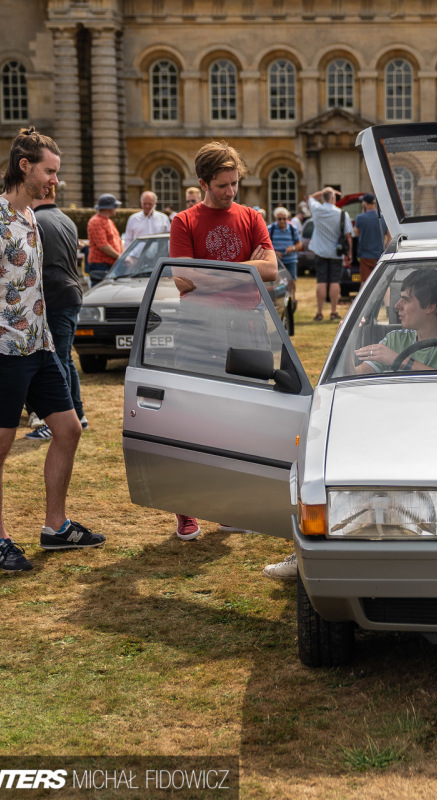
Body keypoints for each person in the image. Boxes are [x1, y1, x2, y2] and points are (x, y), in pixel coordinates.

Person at [0, 127, 104, 572]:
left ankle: (55, 527)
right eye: (50, 171)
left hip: (39, 346)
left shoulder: (30, 218)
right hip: (3, 349)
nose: (55, 181)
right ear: (24, 167)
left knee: (69, 429)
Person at [168, 140, 277, 543]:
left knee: (242, 418)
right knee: (194, 419)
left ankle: (230, 506)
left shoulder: (251, 216)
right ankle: (187, 508)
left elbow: (272, 270)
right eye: (222, 185)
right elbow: (182, 280)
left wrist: (209, 274)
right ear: (203, 183)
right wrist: (246, 268)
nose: (230, 191)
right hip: (199, 328)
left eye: (234, 184)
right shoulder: (184, 221)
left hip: (247, 325)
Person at [26, 184, 88, 441]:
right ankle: (78, 415)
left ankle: (60, 423)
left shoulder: (36, 222)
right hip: (71, 294)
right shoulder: (67, 220)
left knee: (57, 362)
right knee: (65, 358)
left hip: (56, 297)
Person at [354, 269, 437, 374]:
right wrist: (348, 340)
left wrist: (399, 360)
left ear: (430, 306)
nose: (397, 306)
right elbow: (355, 374)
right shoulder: (394, 339)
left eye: (406, 300)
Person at [306, 187, 352, 321]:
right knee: (334, 281)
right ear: (333, 198)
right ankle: (333, 311)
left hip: (320, 251)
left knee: (321, 281)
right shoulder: (342, 213)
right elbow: (348, 236)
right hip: (336, 252)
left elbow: (311, 197)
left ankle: (319, 312)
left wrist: (324, 192)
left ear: (322, 198)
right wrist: (349, 254)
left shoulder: (317, 209)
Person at [86, 193, 123, 284]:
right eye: (115, 206)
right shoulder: (96, 221)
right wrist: (121, 257)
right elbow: (103, 246)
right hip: (100, 266)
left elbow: (117, 240)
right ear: (108, 208)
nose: (116, 208)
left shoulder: (108, 221)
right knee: (102, 291)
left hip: (110, 264)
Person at [352, 193, 388, 285]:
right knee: (382, 283)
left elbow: (356, 233)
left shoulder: (360, 218)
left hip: (365, 255)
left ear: (365, 203)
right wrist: (386, 250)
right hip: (380, 254)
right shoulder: (383, 217)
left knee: (364, 283)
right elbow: (389, 235)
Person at [269, 206, 302, 304]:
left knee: (291, 280)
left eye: (284, 219)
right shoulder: (270, 229)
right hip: (276, 260)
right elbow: (264, 244)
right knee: (275, 281)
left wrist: (292, 248)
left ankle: (292, 299)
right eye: (279, 219)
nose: (282, 221)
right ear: (275, 218)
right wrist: (274, 252)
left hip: (290, 259)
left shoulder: (292, 229)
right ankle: (275, 300)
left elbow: (299, 244)